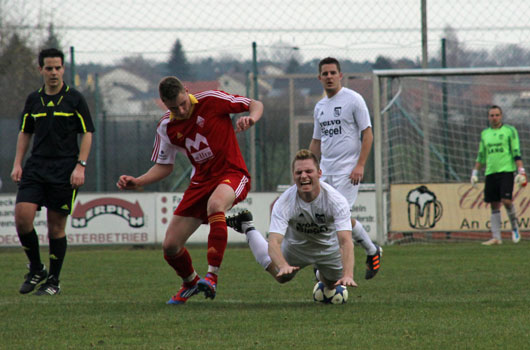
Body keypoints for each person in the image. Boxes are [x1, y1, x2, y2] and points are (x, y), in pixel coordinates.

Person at [117, 76, 263, 304]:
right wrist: (139, 181)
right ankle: (191, 282)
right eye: (173, 107)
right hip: (201, 183)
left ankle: (211, 277)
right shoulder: (166, 126)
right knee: (170, 246)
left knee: (216, 205)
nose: (181, 110)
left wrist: (251, 119)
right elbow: (165, 166)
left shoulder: (212, 100)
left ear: (186, 91)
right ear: (164, 103)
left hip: (232, 173)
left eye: (183, 103)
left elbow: (256, 103)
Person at [11, 48, 94, 295]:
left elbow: (87, 133)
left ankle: (53, 282)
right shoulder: (33, 100)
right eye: (49, 68)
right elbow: (25, 132)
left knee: (55, 227)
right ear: (41, 70)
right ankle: (36, 268)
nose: (54, 72)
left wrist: (81, 165)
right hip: (36, 166)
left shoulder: (75, 98)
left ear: (63, 69)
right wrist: (18, 163)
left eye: (58, 68)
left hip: (65, 168)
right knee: (22, 217)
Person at [226, 149, 357, 290]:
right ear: (293, 176)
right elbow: (274, 241)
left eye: (309, 171)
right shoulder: (284, 202)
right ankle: (247, 227)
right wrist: (283, 265)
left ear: (319, 173)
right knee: (282, 277)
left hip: (328, 249)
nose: (304, 176)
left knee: (332, 285)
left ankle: (321, 273)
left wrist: (348, 275)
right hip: (296, 247)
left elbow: (345, 241)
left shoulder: (336, 200)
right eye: (299, 173)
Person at [308, 57, 382, 280]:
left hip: (348, 171)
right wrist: (309, 169)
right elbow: (316, 141)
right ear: (319, 78)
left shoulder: (353, 100)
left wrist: (360, 165)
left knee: (336, 219)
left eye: (333, 73)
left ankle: (327, 269)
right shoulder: (320, 106)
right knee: (332, 218)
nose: (329, 77)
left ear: (340, 76)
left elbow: (367, 133)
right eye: (325, 73)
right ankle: (372, 250)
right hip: (325, 171)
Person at [471, 105, 525, 245]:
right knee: (494, 204)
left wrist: (521, 171)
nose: (494, 118)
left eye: (496, 115)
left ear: (501, 116)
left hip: (506, 171)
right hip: (490, 172)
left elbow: (516, 152)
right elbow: (481, 155)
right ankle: (496, 237)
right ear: (488, 117)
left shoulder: (509, 131)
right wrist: (475, 173)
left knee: (506, 201)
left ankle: (514, 228)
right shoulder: (485, 134)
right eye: (492, 115)